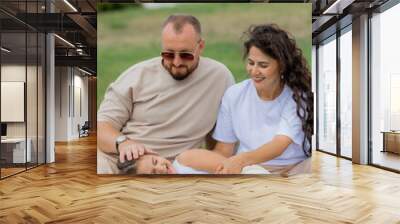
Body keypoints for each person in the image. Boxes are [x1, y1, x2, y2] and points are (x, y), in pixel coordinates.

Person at [97, 14, 235, 174]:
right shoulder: (136, 76)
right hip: (118, 161)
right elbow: (101, 127)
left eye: (185, 55)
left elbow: (223, 140)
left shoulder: (220, 78)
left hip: (170, 169)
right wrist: (123, 143)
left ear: (201, 46)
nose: (176, 62)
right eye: (169, 54)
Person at [211, 24, 313, 176]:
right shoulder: (234, 95)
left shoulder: (298, 96)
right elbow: (224, 149)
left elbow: (279, 144)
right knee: (187, 159)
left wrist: (240, 160)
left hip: (295, 168)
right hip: (252, 168)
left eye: (263, 65)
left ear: (282, 66)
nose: (254, 71)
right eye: (251, 63)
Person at [125, 149, 270, 175]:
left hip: (245, 174)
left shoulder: (185, 160)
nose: (161, 169)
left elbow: (231, 166)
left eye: (155, 162)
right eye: (154, 173)